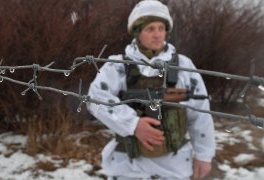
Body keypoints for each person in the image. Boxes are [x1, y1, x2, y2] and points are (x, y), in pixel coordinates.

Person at [87, 0, 215, 179]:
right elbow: (95, 98)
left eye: (161, 28)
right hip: (127, 167)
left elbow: (200, 112)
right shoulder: (118, 65)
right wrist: (133, 124)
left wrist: (204, 155)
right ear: (138, 32)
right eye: (150, 29)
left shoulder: (183, 66)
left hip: (173, 167)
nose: (157, 35)